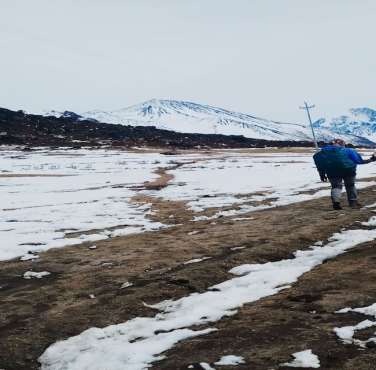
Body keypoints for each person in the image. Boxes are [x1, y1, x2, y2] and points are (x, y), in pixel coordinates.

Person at [313, 138, 376, 210]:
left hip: (331, 171)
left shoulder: (322, 153)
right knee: (350, 186)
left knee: (336, 186)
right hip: (349, 170)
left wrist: (322, 174)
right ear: (342, 144)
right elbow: (359, 161)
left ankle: (336, 203)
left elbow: (319, 163)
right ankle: (353, 203)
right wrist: (371, 159)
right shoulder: (348, 150)